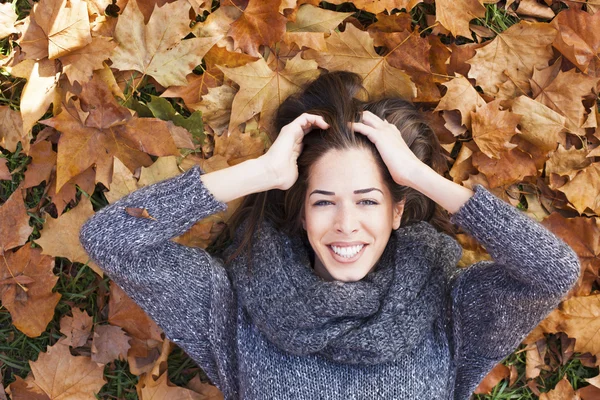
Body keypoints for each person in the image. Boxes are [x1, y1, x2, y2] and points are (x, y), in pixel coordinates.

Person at [80, 71, 581, 400]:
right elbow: (110, 238)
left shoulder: (448, 307)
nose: (346, 224)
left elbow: (553, 270)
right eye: (323, 202)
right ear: (300, 213)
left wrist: (423, 178)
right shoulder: (236, 305)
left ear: (397, 213)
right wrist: (258, 174)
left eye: (367, 201)